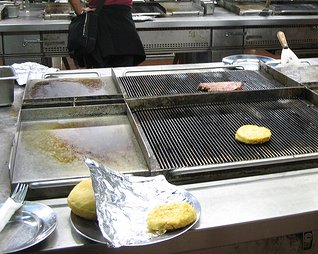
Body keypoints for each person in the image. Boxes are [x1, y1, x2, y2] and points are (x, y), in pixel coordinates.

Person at [69, 0, 146, 68]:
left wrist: (81, 13)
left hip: (100, 26)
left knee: (100, 78)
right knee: (124, 78)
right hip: (124, 26)